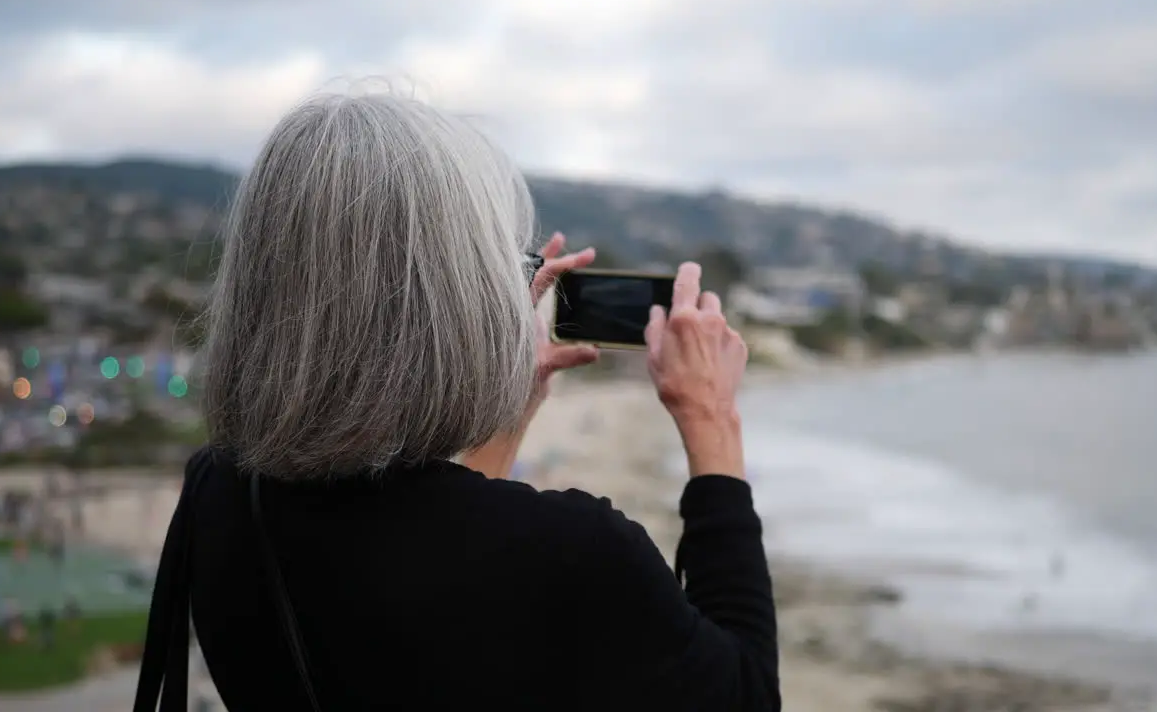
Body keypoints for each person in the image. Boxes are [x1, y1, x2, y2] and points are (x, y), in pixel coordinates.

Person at [134, 91, 777, 712]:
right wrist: (709, 417)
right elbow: (746, 695)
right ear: (461, 301)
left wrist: (509, 409)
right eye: (511, 266)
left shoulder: (217, 495)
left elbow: (436, 564)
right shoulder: (576, 552)